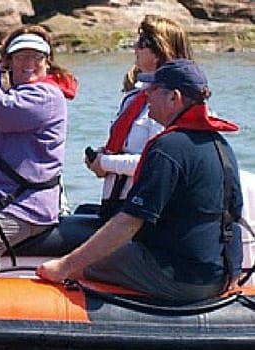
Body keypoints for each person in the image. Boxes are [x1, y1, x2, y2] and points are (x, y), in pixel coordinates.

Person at [37, 59, 243, 303]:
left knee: (81, 262)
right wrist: (231, 275)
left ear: (174, 97)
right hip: (218, 275)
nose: (146, 96)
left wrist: (64, 267)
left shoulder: (167, 148)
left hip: (180, 278)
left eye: (153, 89)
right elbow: (233, 216)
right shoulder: (221, 146)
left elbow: (129, 222)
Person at [0, 25, 78, 270]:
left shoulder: (44, 97)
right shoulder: (16, 92)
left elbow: (1, 109)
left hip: (22, 209)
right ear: (10, 62)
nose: (29, 63)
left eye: (37, 57)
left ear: (47, 62)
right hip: (0, 203)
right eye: (21, 56)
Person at [86, 15, 192, 220]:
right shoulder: (133, 97)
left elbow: (156, 161)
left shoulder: (170, 103)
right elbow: (124, 148)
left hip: (142, 212)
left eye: (143, 42)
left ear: (161, 51)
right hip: (114, 204)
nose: (135, 48)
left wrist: (105, 162)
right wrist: (98, 158)